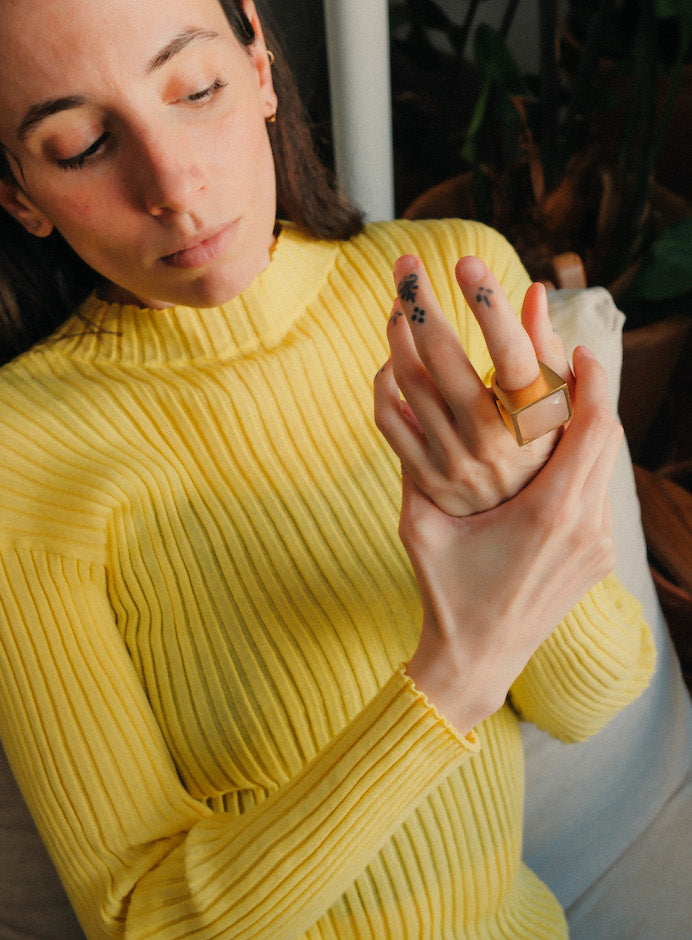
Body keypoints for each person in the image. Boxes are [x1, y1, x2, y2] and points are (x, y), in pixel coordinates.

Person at [0, 0, 655, 937]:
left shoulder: (454, 281)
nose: (173, 185)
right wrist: (451, 674)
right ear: (20, 193)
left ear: (260, 65)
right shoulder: (19, 454)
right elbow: (144, 921)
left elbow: (588, 699)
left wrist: (516, 510)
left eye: (196, 89)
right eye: (79, 146)